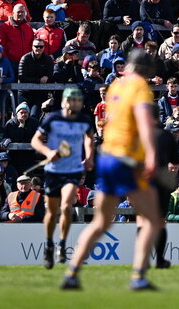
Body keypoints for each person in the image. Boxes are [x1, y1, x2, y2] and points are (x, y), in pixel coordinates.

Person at [62, 50, 163, 291]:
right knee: (152, 219)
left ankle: (72, 273)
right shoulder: (140, 87)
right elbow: (143, 121)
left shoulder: (116, 86)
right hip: (127, 159)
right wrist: (151, 154)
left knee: (101, 221)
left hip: (106, 156)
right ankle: (138, 277)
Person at [32, 86, 95, 269]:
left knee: (67, 206)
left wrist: (89, 157)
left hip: (73, 170)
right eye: (71, 100)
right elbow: (35, 140)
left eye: (77, 100)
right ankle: (49, 244)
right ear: (63, 102)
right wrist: (48, 151)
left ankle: (62, 243)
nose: (74, 103)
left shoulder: (84, 119)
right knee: (52, 213)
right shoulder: (53, 119)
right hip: (53, 170)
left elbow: (89, 138)